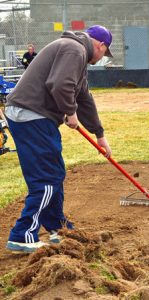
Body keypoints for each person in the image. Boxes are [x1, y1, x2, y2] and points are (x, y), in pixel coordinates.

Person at [4, 25, 113, 253]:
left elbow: (83, 97)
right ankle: (23, 234)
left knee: (54, 172)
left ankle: (57, 228)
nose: (103, 57)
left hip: (32, 115)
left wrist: (99, 134)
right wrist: (70, 112)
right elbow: (61, 84)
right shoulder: (74, 49)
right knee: (47, 177)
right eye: (105, 52)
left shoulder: (76, 55)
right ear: (100, 45)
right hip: (32, 114)